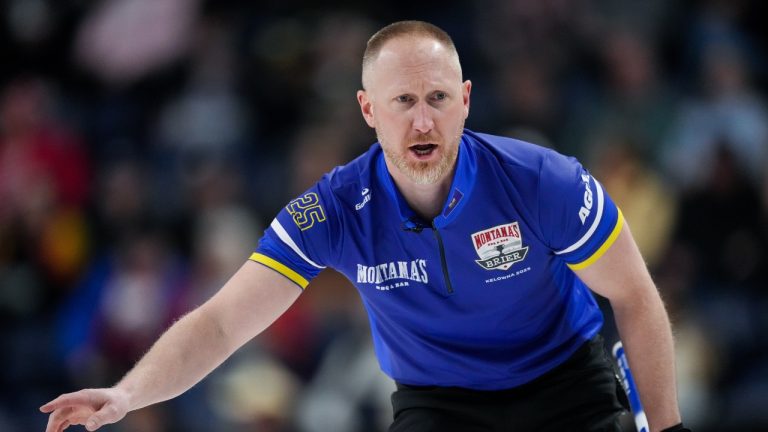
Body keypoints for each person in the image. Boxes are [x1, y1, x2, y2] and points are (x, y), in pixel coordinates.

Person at [41, 20, 690, 432]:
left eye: (438, 98)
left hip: (566, 385)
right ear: (368, 110)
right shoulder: (332, 211)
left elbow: (634, 294)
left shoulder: (543, 181)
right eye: (403, 102)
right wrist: (128, 393)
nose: (423, 122)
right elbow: (221, 322)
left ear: (465, 100)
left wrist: (665, 429)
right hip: (440, 404)